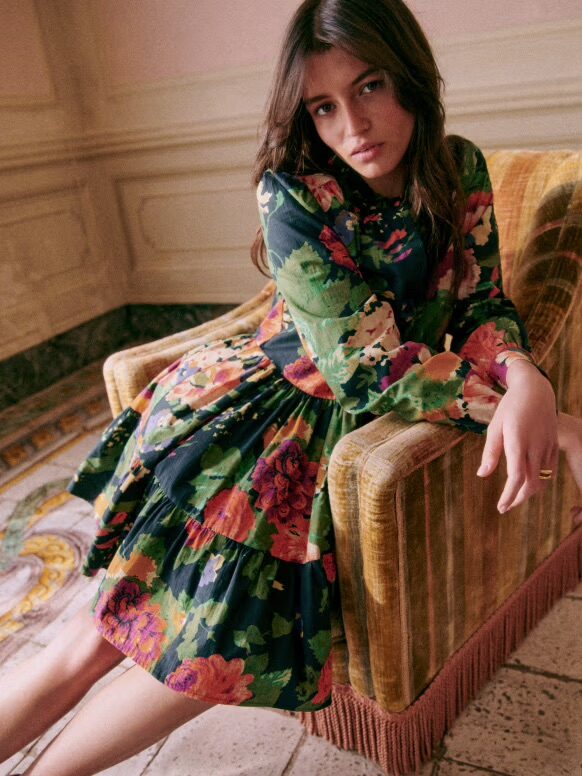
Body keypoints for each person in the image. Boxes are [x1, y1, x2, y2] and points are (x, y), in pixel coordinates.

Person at [1, 1, 581, 774]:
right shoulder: (295, 193)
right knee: (100, 637)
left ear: (410, 77)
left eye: (370, 86)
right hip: (255, 422)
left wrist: (526, 376)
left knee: (196, 652)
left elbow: (479, 304)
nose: (354, 125)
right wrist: (528, 408)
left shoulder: (458, 166)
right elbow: (362, 365)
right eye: (324, 106)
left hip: (332, 428)